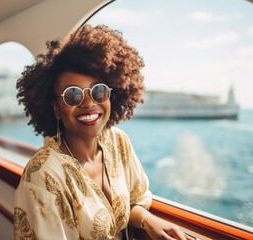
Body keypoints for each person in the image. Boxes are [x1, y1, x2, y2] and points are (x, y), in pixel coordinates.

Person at [14, 24, 192, 240]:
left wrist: (148, 220)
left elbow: (133, 201)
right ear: (55, 109)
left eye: (98, 91)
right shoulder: (42, 177)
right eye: (73, 95)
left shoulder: (118, 141)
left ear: (111, 95)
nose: (89, 103)